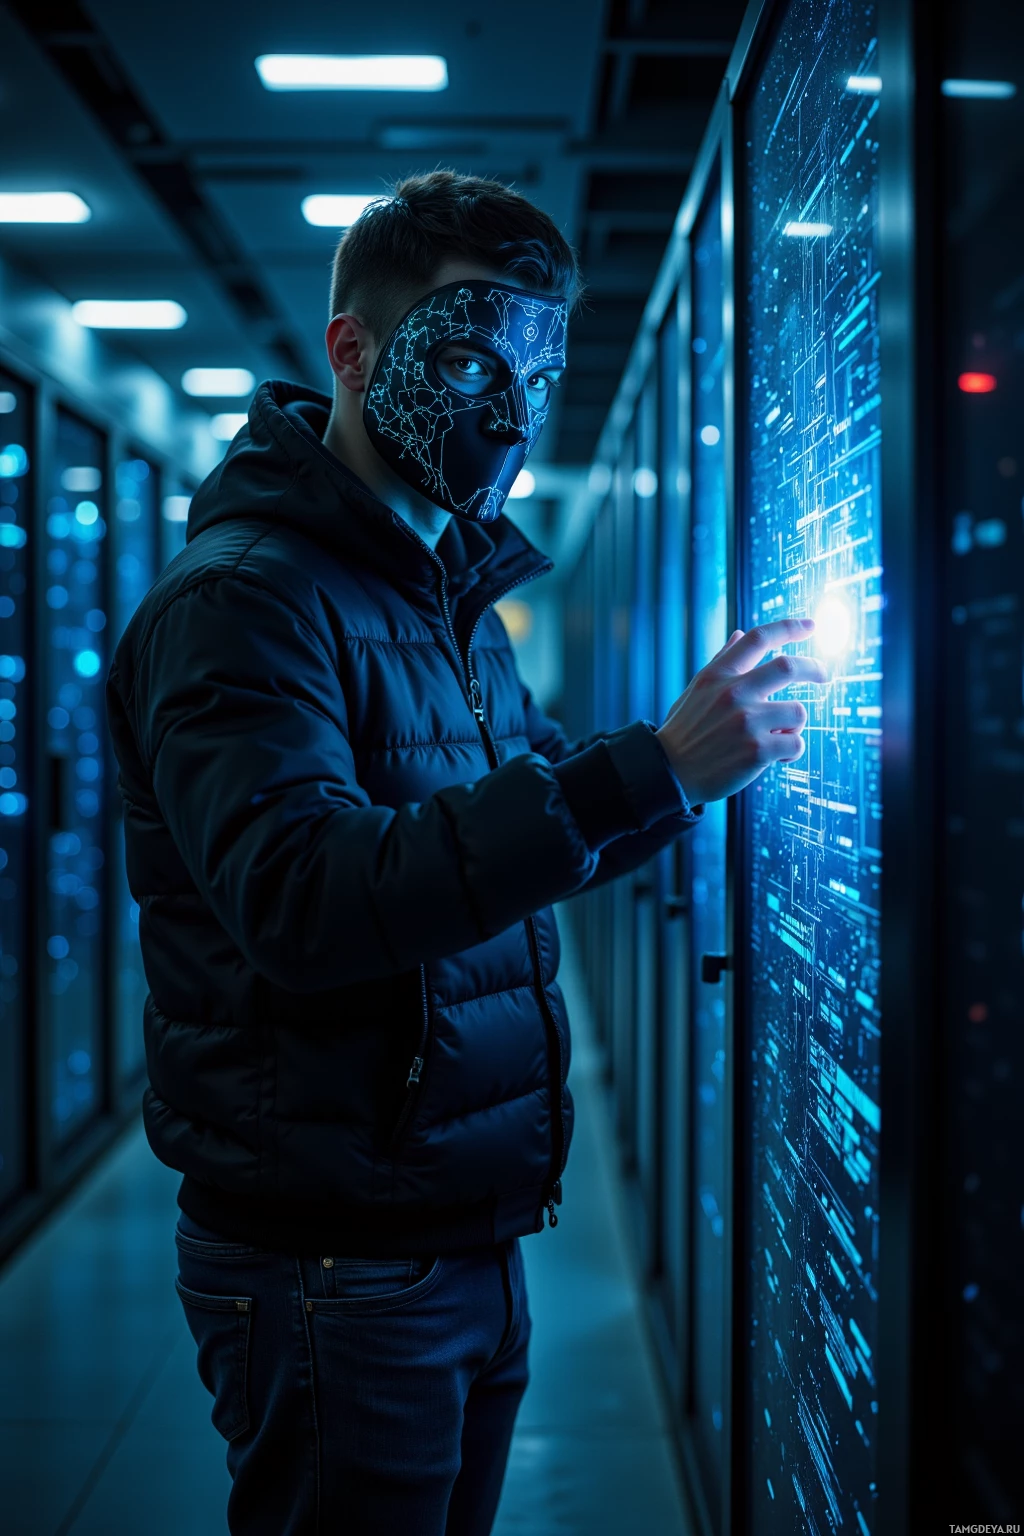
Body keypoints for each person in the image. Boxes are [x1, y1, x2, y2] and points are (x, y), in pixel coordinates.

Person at [105, 170, 823, 1536]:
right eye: (472, 355)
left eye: (537, 372)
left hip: (454, 1230)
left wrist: (682, 766)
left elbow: (536, 814)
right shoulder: (245, 604)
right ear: (353, 353)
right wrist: (659, 766)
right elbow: (307, 898)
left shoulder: (446, 599)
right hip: (333, 1256)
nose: (509, 406)